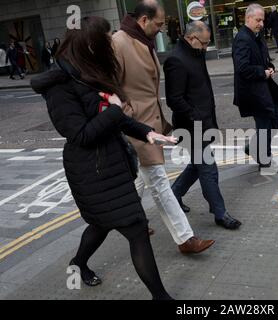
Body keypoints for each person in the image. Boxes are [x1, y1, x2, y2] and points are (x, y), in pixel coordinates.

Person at [30, 16, 174, 300]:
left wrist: (147, 133)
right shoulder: (60, 85)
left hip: (110, 165)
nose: (110, 44)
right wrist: (115, 111)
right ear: (88, 44)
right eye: (105, 40)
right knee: (136, 229)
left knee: (101, 223)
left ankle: (78, 263)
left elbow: (112, 118)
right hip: (91, 170)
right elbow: (81, 135)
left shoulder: (87, 71)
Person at [113, 0, 215, 253]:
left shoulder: (141, 40)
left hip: (149, 123)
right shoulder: (119, 42)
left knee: (138, 178)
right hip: (136, 126)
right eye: (158, 24)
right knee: (158, 182)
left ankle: (130, 221)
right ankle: (185, 239)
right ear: (144, 20)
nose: (162, 29)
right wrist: (129, 117)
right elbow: (110, 88)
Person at [164, 21, 242, 230]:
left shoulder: (195, 53)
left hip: (204, 122)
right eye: (204, 43)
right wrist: (196, 116)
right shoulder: (175, 60)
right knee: (208, 169)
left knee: (197, 167)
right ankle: (219, 213)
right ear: (191, 38)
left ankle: (173, 195)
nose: (206, 48)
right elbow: (174, 99)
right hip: (190, 127)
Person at [232, 3, 278, 174]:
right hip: (253, 92)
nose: (261, 23)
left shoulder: (255, 35)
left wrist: (270, 67)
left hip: (263, 88)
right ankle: (265, 162)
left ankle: (253, 148)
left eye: (262, 20)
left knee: (276, 118)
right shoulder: (243, 38)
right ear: (248, 18)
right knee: (265, 124)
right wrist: (262, 72)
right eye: (258, 20)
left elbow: (262, 59)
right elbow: (242, 68)